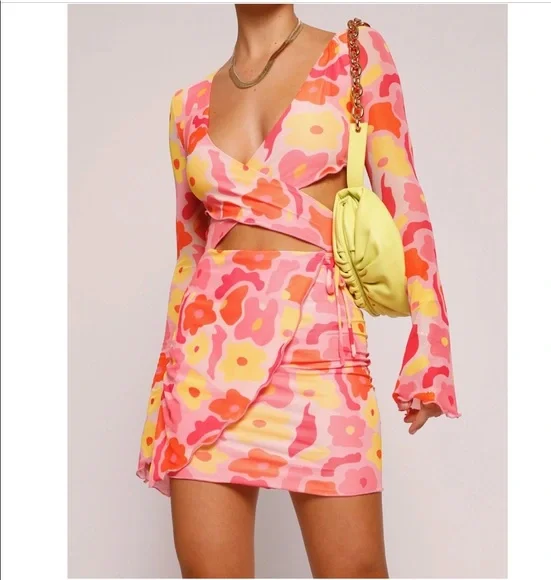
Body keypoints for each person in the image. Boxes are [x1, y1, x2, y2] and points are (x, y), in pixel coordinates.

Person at [137, 4, 460, 578]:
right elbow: (189, 257)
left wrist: (430, 346)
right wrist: (163, 392)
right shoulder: (186, 106)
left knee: (356, 571)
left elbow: (405, 198)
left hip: (320, 354)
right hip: (205, 366)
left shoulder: (355, 56)